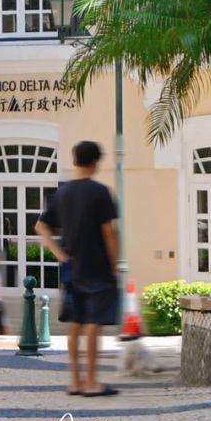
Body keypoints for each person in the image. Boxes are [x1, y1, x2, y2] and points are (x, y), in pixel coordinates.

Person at [37, 140, 120, 398]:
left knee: (75, 324)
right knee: (94, 325)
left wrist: (61, 254)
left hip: (72, 269)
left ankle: (75, 381)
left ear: (75, 162)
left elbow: (40, 226)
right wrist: (115, 265)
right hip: (97, 267)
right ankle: (92, 382)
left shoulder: (62, 193)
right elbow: (109, 233)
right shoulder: (100, 192)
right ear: (95, 162)